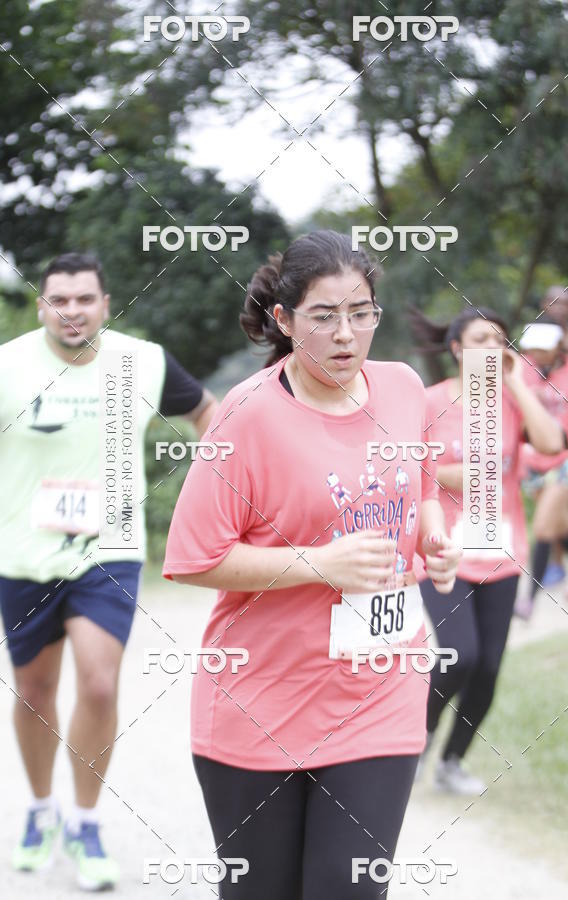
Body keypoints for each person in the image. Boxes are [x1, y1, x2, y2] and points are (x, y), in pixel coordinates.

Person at [162, 230, 461, 899]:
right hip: (262, 699)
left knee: (349, 890)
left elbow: (420, 477)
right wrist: (318, 563)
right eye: (324, 316)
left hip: (382, 689)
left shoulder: (403, 386)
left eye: (361, 313)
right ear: (285, 320)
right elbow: (192, 558)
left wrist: (433, 531)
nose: (347, 334)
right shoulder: (247, 417)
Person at [0, 252, 217, 889]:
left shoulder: (142, 362)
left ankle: (86, 821)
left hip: (109, 551)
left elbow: (210, 414)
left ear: (105, 302)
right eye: (59, 300)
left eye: (84, 299)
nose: (72, 311)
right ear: (42, 305)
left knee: (97, 685)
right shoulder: (8, 365)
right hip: (23, 554)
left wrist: (210, 489)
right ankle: (42, 812)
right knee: (35, 690)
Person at [408, 307, 564, 794]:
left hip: (502, 553)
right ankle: (418, 739)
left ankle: (453, 762)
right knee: (460, 654)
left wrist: (517, 384)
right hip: (442, 551)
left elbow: (553, 444)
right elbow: (410, 470)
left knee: (490, 667)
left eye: (500, 341)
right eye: (481, 339)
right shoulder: (429, 402)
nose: (493, 349)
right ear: (457, 349)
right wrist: (456, 475)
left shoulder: (514, 401)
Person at [514, 320, 568, 619]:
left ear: (555, 349)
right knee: (560, 527)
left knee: (542, 527)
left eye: (541, 349)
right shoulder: (523, 368)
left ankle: (528, 600)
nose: (534, 353)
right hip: (533, 460)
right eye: (531, 348)